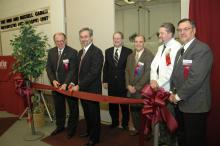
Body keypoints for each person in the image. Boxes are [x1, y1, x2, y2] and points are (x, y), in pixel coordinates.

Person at [169, 18, 213, 146]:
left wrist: (177, 96)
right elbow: (176, 75)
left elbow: (195, 79)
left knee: (194, 140)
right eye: (180, 30)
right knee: (182, 137)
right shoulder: (180, 50)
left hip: (195, 105)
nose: (182, 32)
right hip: (181, 104)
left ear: (194, 30)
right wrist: (172, 92)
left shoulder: (202, 49)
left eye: (186, 29)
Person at [150, 23, 181, 146]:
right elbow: (154, 66)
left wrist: (158, 82)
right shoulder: (160, 47)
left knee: (170, 120)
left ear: (170, 34)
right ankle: (162, 141)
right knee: (161, 119)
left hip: (168, 91)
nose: (160, 35)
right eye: (160, 33)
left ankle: (171, 143)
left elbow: (171, 70)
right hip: (158, 89)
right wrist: (153, 80)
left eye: (162, 33)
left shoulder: (176, 47)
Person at [72, 27, 103, 146]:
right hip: (82, 90)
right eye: (81, 37)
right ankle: (90, 132)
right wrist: (73, 83)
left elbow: (94, 73)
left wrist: (79, 85)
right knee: (87, 113)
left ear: (91, 37)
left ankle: (95, 138)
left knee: (94, 114)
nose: (83, 39)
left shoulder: (97, 52)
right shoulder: (80, 52)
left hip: (92, 90)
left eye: (86, 36)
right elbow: (78, 71)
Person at [46, 32, 79, 139]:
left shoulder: (72, 52)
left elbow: (73, 70)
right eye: (57, 41)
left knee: (73, 108)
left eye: (61, 41)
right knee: (59, 107)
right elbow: (49, 68)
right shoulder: (51, 52)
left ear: (65, 40)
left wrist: (65, 83)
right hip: (56, 86)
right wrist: (53, 80)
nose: (60, 43)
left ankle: (72, 129)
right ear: (54, 41)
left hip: (69, 85)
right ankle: (60, 126)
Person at [103, 32, 132, 130]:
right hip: (111, 83)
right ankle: (114, 122)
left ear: (122, 39)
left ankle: (125, 124)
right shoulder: (108, 51)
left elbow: (129, 69)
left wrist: (129, 83)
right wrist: (105, 81)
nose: (116, 40)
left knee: (124, 105)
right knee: (112, 105)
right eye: (115, 38)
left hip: (123, 83)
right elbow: (105, 67)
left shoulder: (128, 51)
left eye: (118, 38)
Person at [125, 35, 154, 136]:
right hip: (131, 90)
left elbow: (148, 73)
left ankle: (147, 132)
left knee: (145, 113)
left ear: (144, 43)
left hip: (143, 91)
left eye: (140, 42)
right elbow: (127, 71)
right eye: (136, 42)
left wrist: (136, 87)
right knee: (134, 112)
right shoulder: (130, 56)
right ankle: (138, 129)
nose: (138, 44)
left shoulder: (149, 55)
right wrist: (128, 85)